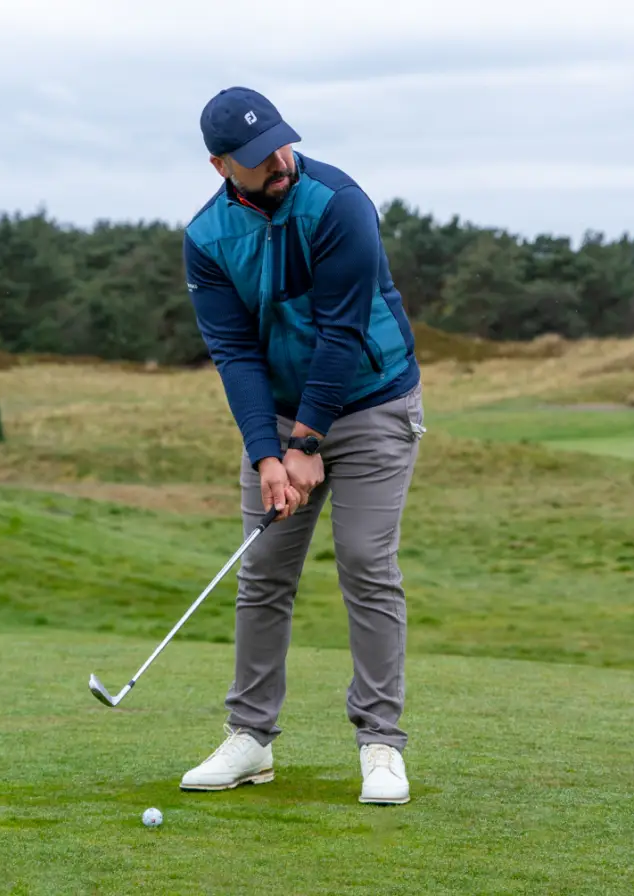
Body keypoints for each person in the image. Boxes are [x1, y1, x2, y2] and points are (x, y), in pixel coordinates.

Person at [179, 86, 426, 805]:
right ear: (222, 166)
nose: (279, 160)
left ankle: (381, 744)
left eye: (281, 143)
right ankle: (250, 738)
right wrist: (268, 455)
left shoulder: (339, 202)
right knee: (262, 571)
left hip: (376, 404)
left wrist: (307, 441)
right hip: (283, 415)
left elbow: (342, 331)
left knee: (365, 562)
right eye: (257, 157)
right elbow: (235, 354)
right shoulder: (206, 239)